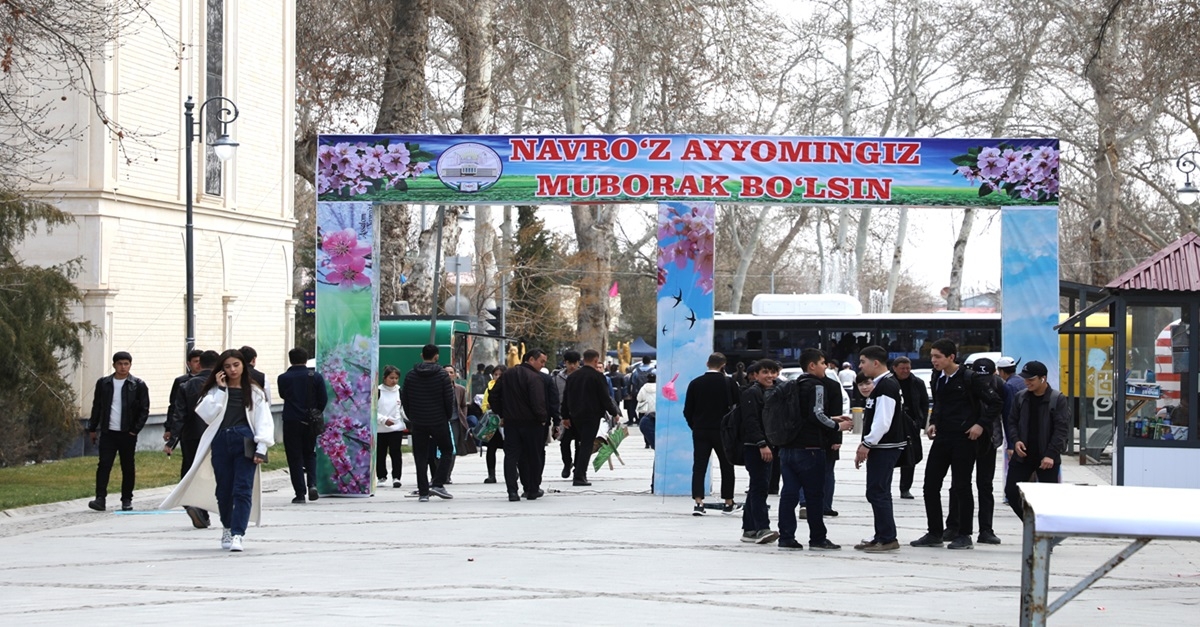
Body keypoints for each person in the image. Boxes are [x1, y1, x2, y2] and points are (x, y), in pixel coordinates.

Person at [162, 349, 274, 552]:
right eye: (228, 366)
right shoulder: (215, 391)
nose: (232, 370)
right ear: (221, 369)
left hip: (245, 441)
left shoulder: (254, 392)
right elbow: (206, 414)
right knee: (224, 490)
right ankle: (228, 527)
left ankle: (238, 533)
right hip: (221, 441)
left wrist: (262, 447)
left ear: (243, 366)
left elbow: (263, 420)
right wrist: (221, 390)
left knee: (242, 489)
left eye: (236, 365)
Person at [910, 338, 1001, 551]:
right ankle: (934, 532)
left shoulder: (971, 378)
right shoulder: (937, 377)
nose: (933, 360)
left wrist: (980, 424)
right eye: (932, 356)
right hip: (942, 438)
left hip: (965, 439)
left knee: (961, 486)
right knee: (930, 485)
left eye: (938, 357)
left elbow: (996, 402)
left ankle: (964, 534)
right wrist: (933, 422)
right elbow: (939, 403)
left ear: (951, 357)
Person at [777, 350, 853, 551]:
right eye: (822, 363)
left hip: (788, 448)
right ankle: (818, 537)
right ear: (812, 365)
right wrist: (837, 427)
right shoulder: (817, 386)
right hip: (810, 449)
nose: (825, 368)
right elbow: (816, 414)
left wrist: (832, 418)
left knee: (789, 493)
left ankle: (786, 536)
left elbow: (804, 414)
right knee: (814, 495)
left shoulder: (793, 384)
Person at [853, 346, 907, 553]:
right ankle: (881, 534)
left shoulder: (886, 386)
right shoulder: (882, 385)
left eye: (863, 361)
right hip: (881, 446)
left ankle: (887, 537)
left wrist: (867, 444)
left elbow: (883, 421)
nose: (860, 366)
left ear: (876, 363)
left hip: (885, 446)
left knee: (878, 491)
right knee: (877, 491)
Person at [1004, 361, 1071, 519]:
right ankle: (1032, 525)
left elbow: (1062, 430)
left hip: (1046, 456)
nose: (1027, 383)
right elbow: (1012, 421)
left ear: (1043, 379)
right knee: (1012, 493)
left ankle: (1047, 535)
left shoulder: (1057, 399)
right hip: (1022, 456)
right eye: (1025, 379)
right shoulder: (1021, 397)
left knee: (1049, 499)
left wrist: (1051, 454)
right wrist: (1016, 440)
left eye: (1031, 380)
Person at [87, 351, 150, 512]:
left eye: (126, 364)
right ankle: (100, 498)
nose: (123, 367)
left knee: (127, 466)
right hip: (108, 432)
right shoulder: (104, 383)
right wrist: (92, 428)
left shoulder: (137, 384)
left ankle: (126, 499)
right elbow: (97, 406)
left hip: (127, 433)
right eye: (120, 364)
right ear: (114, 365)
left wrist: (135, 430)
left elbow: (144, 409)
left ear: (130, 365)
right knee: (104, 464)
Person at [953, 357, 1007, 545]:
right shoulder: (967, 381)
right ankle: (954, 526)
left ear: (994, 373)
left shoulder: (1000, 385)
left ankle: (986, 529)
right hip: (965, 438)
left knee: (985, 485)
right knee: (959, 484)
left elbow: (1006, 413)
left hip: (989, 441)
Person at [682, 352, 740, 516]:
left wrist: (694, 426)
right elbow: (739, 407)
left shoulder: (695, 383)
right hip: (723, 431)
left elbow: (688, 410)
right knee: (727, 465)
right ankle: (728, 502)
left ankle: (699, 503)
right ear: (724, 365)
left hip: (700, 430)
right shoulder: (729, 383)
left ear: (707, 363)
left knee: (699, 466)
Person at [489, 349, 551, 501]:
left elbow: (493, 395)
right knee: (533, 456)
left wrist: (501, 413)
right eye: (541, 362)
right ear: (531, 360)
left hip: (511, 422)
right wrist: (542, 418)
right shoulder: (534, 378)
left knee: (511, 456)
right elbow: (538, 401)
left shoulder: (507, 375)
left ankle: (512, 491)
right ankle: (532, 489)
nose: (542, 365)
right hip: (532, 423)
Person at [168, 349, 220, 527]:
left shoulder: (187, 385)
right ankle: (202, 508)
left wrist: (172, 440)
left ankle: (193, 504)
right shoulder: (222, 384)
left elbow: (178, 414)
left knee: (191, 468)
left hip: (190, 435)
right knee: (211, 473)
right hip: (214, 435)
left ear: (201, 364)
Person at [400, 344, 456, 502]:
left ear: (421, 355)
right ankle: (438, 483)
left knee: (420, 456)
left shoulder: (411, 375)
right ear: (436, 356)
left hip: (419, 422)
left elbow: (405, 399)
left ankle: (423, 492)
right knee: (447, 450)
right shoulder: (442, 375)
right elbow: (448, 398)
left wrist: (413, 417)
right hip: (438, 420)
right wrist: (446, 416)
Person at [277, 347, 329, 503]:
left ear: (290, 359)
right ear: (306, 359)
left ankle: (299, 493)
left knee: (294, 457)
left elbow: (282, 395)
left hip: (291, 420)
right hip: (310, 421)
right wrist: (316, 412)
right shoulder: (315, 376)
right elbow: (323, 399)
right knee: (310, 453)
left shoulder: (283, 378)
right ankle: (312, 484)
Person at [563, 349, 621, 487]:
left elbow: (566, 397)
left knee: (579, 443)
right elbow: (604, 398)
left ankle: (578, 471)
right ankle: (579, 475)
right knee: (586, 445)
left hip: (575, 415)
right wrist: (614, 412)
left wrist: (565, 415)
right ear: (596, 360)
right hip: (591, 415)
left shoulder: (572, 376)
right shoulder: (598, 377)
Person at [736, 361, 778, 545]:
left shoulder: (775, 391)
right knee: (760, 487)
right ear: (755, 375)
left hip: (769, 444)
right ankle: (762, 527)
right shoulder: (751, 393)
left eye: (773, 372)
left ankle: (749, 528)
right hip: (755, 446)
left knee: (757, 486)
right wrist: (762, 444)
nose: (770, 376)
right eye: (765, 372)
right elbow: (750, 421)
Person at [893, 356, 929, 500]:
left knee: (910, 457)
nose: (906, 371)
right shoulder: (889, 382)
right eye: (902, 368)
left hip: (911, 424)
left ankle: (905, 488)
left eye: (908, 368)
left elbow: (924, 404)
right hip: (893, 423)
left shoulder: (917, 383)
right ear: (895, 368)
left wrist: (921, 422)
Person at [163, 349, 203, 453]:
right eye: (195, 361)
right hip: (187, 427)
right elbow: (174, 406)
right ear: (189, 363)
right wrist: (169, 428)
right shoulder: (181, 381)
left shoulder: (212, 380)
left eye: (201, 361)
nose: (199, 364)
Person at [375, 365, 405, 488]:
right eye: (391, 378)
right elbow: (372, 410)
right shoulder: (378, 391)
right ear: (385, 378)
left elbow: (402, 409)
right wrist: (383, 420)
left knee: (396, 453)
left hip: (396, 428)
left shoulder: (399, 391)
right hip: (380, 428)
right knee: (380, 453)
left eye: (396, 378)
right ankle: (381, 476)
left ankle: (396, 477)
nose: (394, 381)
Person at [553, 351, 582, 478]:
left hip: (580, 415)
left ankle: (577, 466)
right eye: (570, 363)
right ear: (565, 363)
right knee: (564, 442)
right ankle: (567, 463)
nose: (572, 366)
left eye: (575, 363)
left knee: (579, 444)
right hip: (563, 415)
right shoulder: (557, 378)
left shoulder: (583, 376)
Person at [481, 365, 506, 484]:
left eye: (500, 375)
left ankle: (513, 471)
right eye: (495, 374)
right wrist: (487, 407)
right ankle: (491, 474)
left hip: (505, 422)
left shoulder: (509, 387)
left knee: (510, 449)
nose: (497, 377)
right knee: (491, 448)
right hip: (492, 422)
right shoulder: (489, 388)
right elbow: (484, 404)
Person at [636, 372, 657, 449]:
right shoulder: (659, 387)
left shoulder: (643, 388)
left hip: (647, 410)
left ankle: (647, 443)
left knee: (646, 425)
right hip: (656, 410)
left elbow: (639, 398)